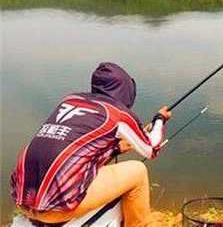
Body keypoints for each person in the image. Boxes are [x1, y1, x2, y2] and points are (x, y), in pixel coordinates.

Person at [10, 62, 171, 227]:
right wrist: (159, 119)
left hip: (22, 201)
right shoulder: (120, 113)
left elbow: (72, 144)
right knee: (138, 171)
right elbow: (152, 148)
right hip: (55, 209)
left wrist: (115, 149)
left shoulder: (70, 100)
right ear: (126, 91)